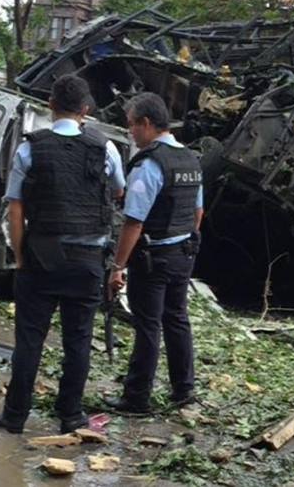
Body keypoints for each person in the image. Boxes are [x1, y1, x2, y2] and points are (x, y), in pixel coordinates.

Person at [0, 74, 125, 435]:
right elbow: (117, 193)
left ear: (50, 105)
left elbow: (16, 210)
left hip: (41, 258)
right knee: (78, 340)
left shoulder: (29, 148)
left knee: (29, 340)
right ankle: (70, 416)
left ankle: (15, 416)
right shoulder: (106, 148)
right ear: (86, 110)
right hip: (88, 261)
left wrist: (20, 258)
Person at [104, 92, 204, 414]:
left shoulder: (149, 164)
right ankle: (183, 389)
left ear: (147, 123)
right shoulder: (190, 158)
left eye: (132, 125)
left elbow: (133, 222)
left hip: (153, 258)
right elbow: (198, 212)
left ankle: (136, 398)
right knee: (176, 318)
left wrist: (117, 266)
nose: (130, 131)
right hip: (184, 253)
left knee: (148, 325)